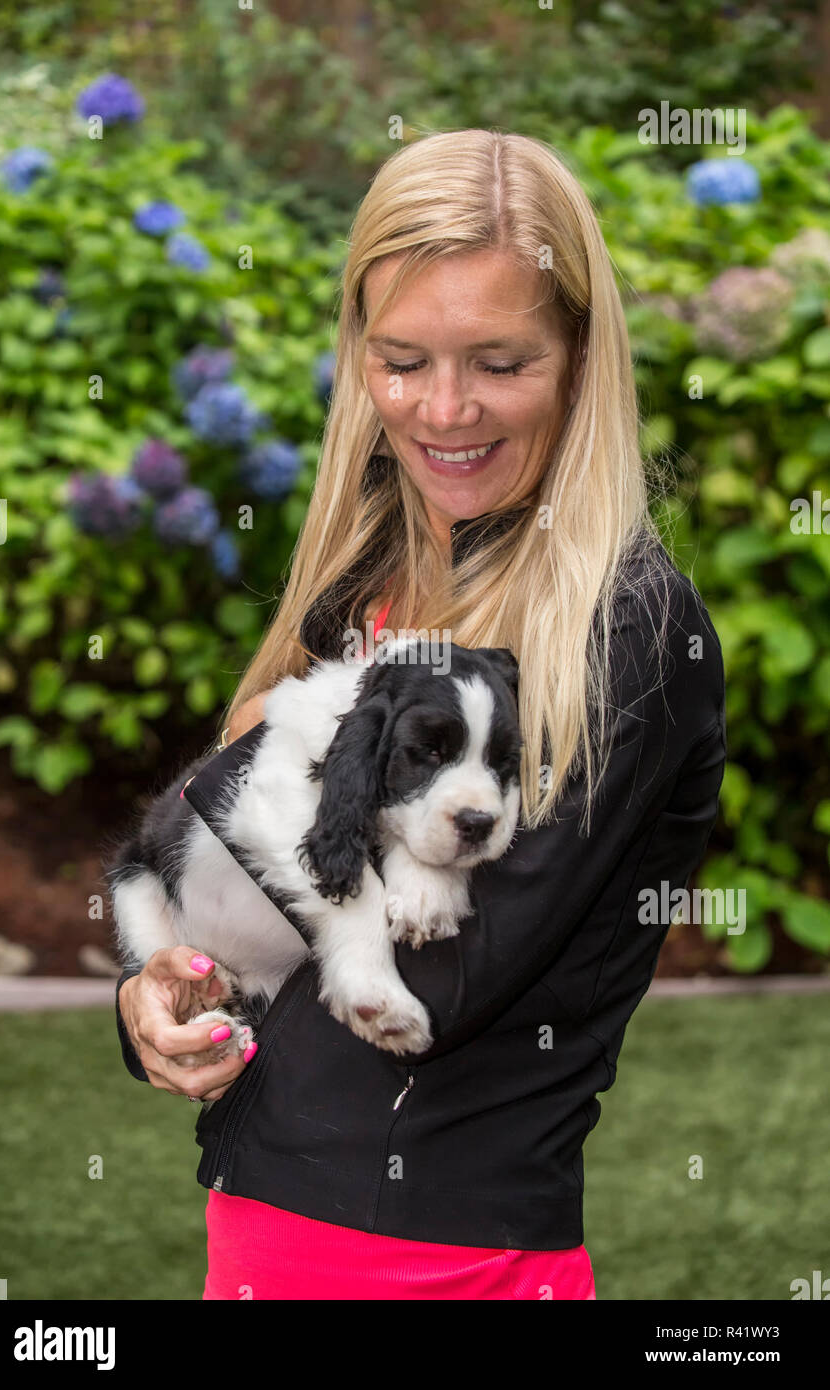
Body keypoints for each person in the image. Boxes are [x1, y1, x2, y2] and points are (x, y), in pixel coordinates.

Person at [115, 128, 726, 1300]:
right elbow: (224, 850)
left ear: (580, 357)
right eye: (401, 360)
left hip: (454, 1257)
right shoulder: (371, 568)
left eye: (498, 362)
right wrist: (166, 983)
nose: (443, 411)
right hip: (263, 1220)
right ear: (358, 355)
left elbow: (426, 983)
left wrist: (262, 797)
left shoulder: (629, 628)